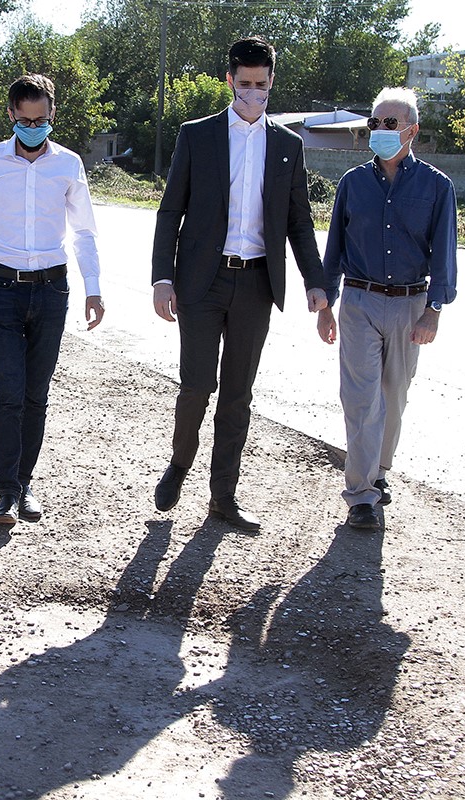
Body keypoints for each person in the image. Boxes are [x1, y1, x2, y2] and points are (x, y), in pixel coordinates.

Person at [151, 36, 328, 532]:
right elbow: (170, 210)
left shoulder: (288, 146)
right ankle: (180, 462)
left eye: (262, 85)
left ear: (272, 83)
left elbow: (299, 222)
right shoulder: (197, 135)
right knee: (196, 386)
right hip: (201, 284)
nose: (254, 93)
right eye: (245, 84)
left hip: (255, 286)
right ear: (229, 81)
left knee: (237, 395)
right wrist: (163, 278)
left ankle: (223, 496)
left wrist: (314, 282)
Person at [0, 73, 104, 526]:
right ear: (10, 116)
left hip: (52, 290)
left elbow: (84, 231)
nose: (34, 128)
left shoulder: (68, 165)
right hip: (2, 290)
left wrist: (94, 287)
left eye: (41, 120)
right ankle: (5, 493)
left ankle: (25, 484)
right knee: (9, 394)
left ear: (52, 114)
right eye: (25, 121)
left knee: (36, 395)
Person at [316, 86, 458, 530]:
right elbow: (335, 248)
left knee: (393, 397)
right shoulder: (353, 183)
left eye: (389, 123)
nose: (379, 129)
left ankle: (378, 471)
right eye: (374, 122)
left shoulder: (436, 186)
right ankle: (361, 496)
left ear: (411, 130)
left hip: (409, 305)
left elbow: (444, 253)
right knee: (361, 400)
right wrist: (325, 303)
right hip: (359, 301)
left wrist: (434, 309)